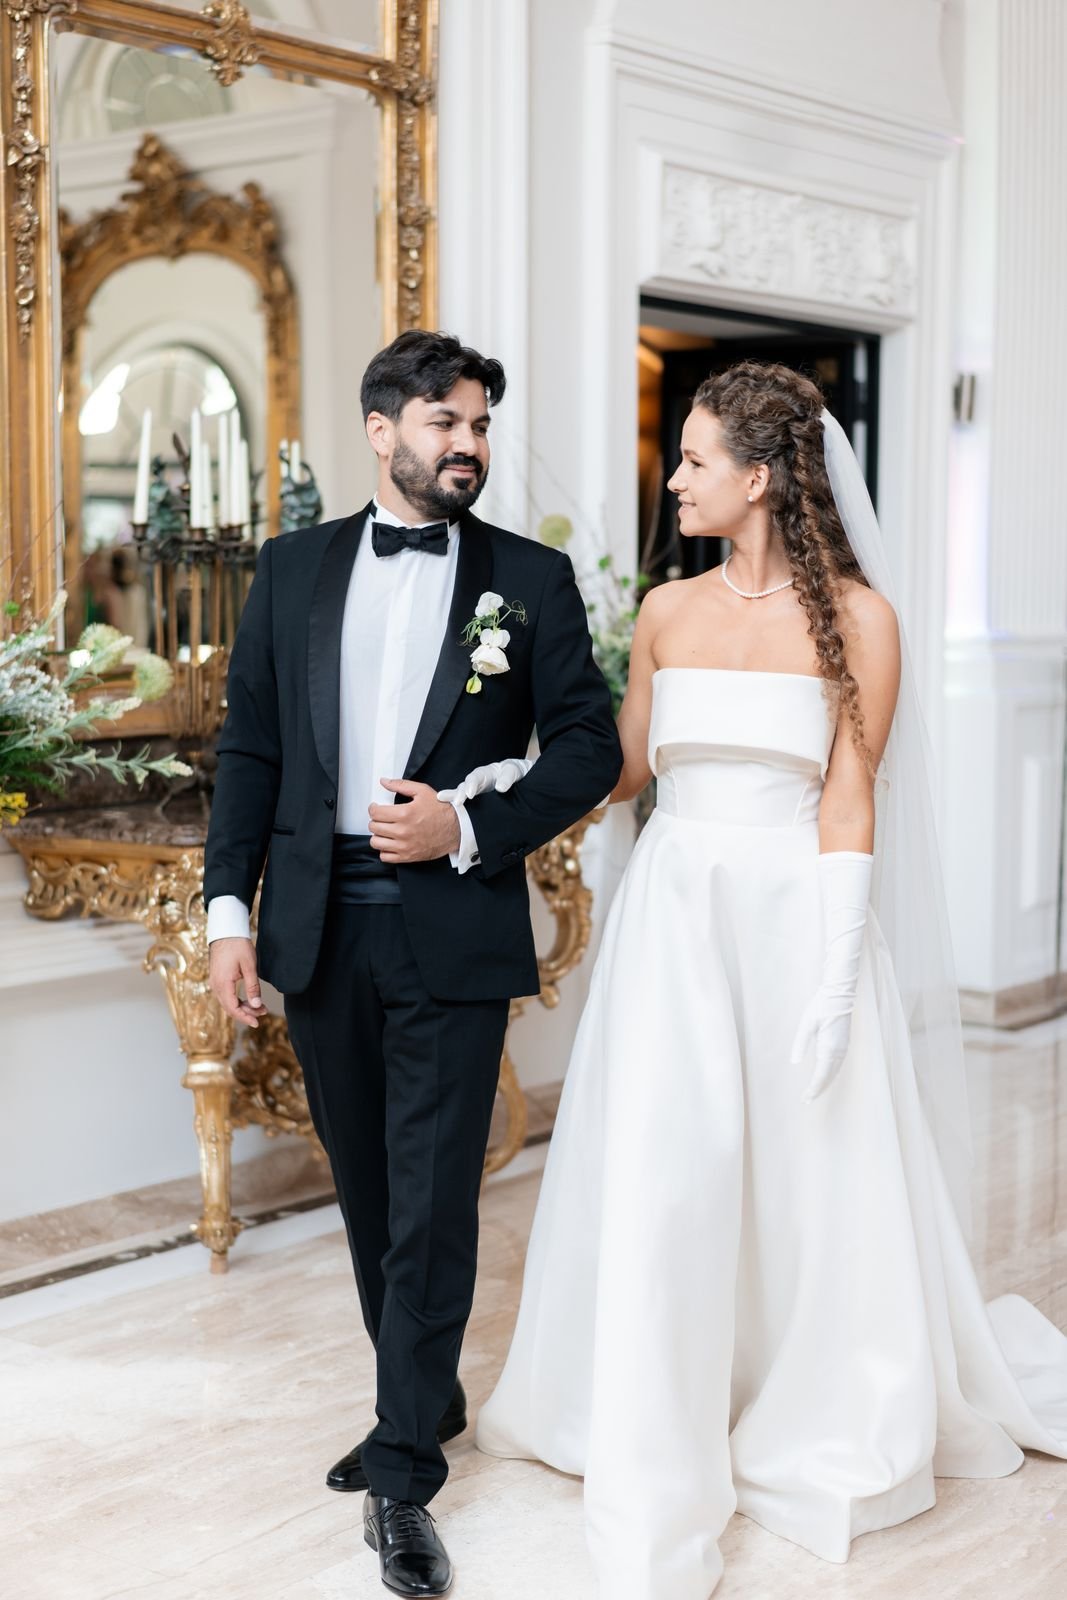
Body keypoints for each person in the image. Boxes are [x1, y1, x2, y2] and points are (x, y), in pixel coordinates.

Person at [473, 361, 1067, 1599]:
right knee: (671, 1162)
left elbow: (848, 797)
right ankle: (659, 1388)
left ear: (756, 478)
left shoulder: (861, 619)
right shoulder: (663, 611)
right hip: (674, 921)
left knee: (806, 1174)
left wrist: (840, 972)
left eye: (692, 460)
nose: (673, 480)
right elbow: (624, 770)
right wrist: (504, 780)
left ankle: (809, 1392)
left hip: (798, 917)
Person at [203, 330, 622, 1598]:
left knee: (434, 1200)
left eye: (480, 424)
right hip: (319, 927)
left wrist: (467, 824)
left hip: (452, 920)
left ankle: (402, 1472)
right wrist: (228, 915)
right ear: (382, 429)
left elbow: (588, 747)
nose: (469, 444)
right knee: (371, 1190)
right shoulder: (290, 569)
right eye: (446, 421)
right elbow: (251, 751)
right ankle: (422, 1395)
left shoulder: (528, 579)